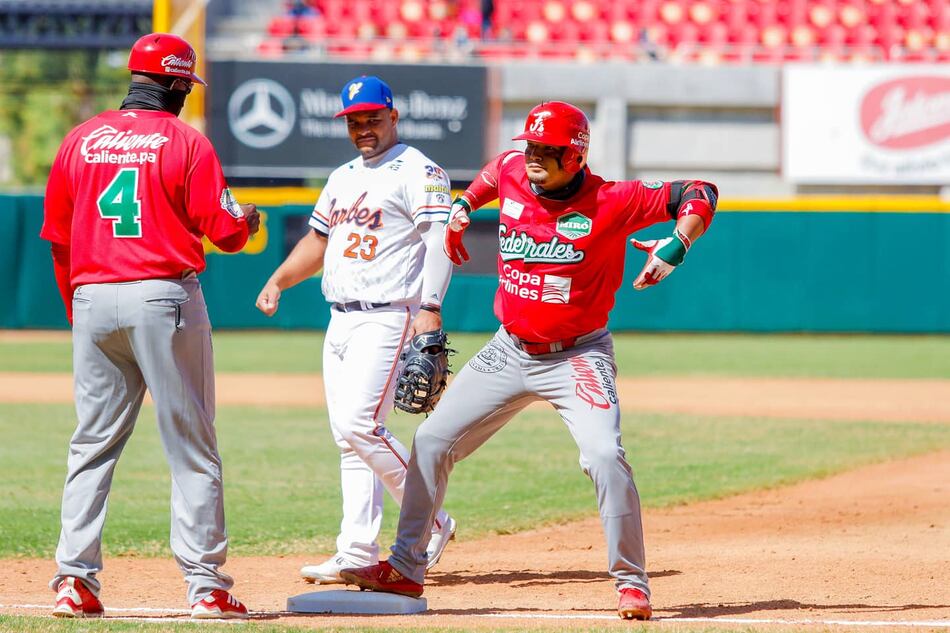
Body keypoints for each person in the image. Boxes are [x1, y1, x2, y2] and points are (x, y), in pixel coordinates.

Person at [339, 101, 718, 620]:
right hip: (509, 349)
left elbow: (701, 192)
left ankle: (631, 583)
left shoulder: (612, 199)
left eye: (548, 150)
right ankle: (406, 568)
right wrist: (465, 203)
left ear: (576, 155)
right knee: (430, 441)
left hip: (578, 354)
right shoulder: (517, 171)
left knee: (605, 456)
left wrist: (679, 241)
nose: (534, 157)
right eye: (532, 146)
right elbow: (498, 168)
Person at [41, 33, 261, 620]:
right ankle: (206, 586)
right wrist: (249, 221)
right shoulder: (186, 143)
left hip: (92, 297)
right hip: (162, 296)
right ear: (175, 84)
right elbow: (226, 231)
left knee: (91, 445)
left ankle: (74, 581)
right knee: (191, 445)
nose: (188, 95)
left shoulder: (80, 139)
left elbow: (59, 241)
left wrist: (77, 311)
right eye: (185, 86)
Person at [255, 75, 457, 585]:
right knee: (349, 439)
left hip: (389, 314)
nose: (363, 127)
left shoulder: (419, 170)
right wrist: (279, 279)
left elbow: (439, 242)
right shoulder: (343, 176)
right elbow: (318, 241)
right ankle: (355, 550)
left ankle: (432, 520)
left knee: (360, 426)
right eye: (354, 120)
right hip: (340, 317)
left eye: (372, 117)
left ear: (393, 116)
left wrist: (429, 308)